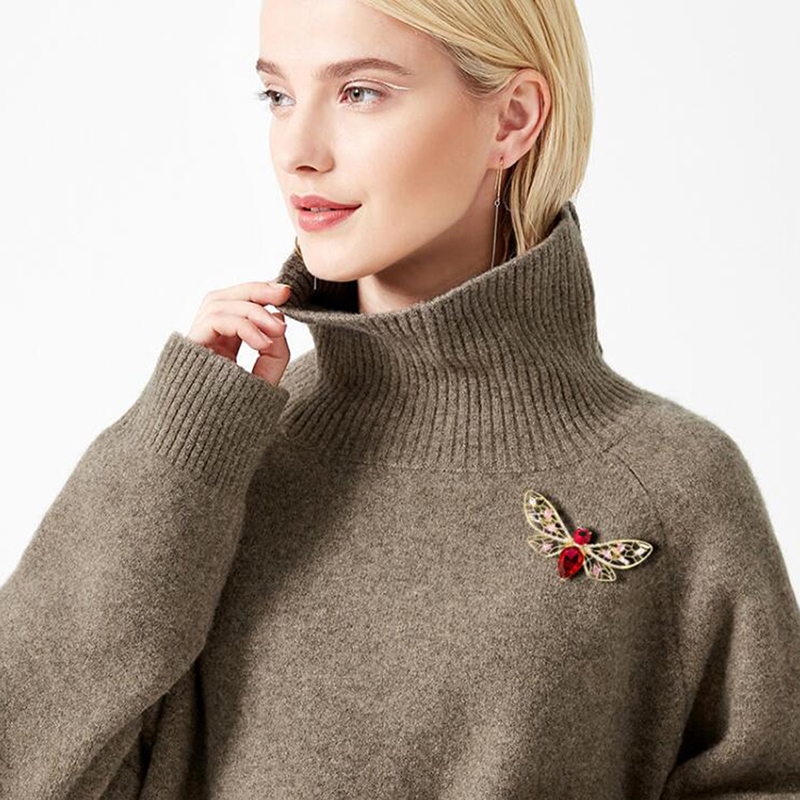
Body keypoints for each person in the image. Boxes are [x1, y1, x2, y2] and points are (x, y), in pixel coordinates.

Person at [1, 0, 798, 798]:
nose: (298, 152)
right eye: (278, 95)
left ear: (513, 119)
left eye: (360, 93)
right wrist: (177, 454)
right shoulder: (222, 459)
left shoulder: (669, 485)